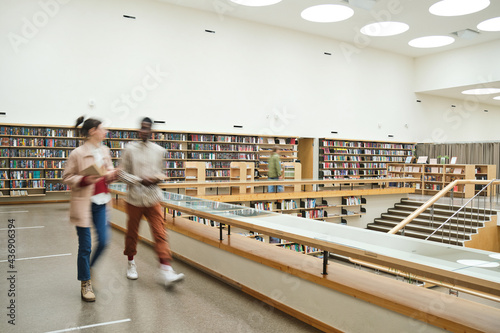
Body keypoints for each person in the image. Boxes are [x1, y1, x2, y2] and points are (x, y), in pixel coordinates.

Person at [118, 117, 184, 286]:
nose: (144, 131)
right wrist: (139, 180)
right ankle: (131, 263)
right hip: (134, 199)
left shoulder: (159, 150)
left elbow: (162, 173)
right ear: (139, 130)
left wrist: (156, 178)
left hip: (153, 198)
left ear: (151, 131)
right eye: (142, 128)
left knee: (160, 233)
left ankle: (166, 269)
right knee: (132, 233)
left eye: (147, 128)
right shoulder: (130, 149)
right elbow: (121, 173)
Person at [63, 117, 117, 302]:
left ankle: (90, 268)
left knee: (103, 241)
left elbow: (108, 171)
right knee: (85, 246)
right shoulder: (77, 153)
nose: (106, 132)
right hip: (84, 204)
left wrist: (113, 175)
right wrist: (85, 179)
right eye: (103, 129)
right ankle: (85, 282)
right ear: (93, 130)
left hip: (101, 202)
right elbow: (67, 177)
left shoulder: (105, 150)